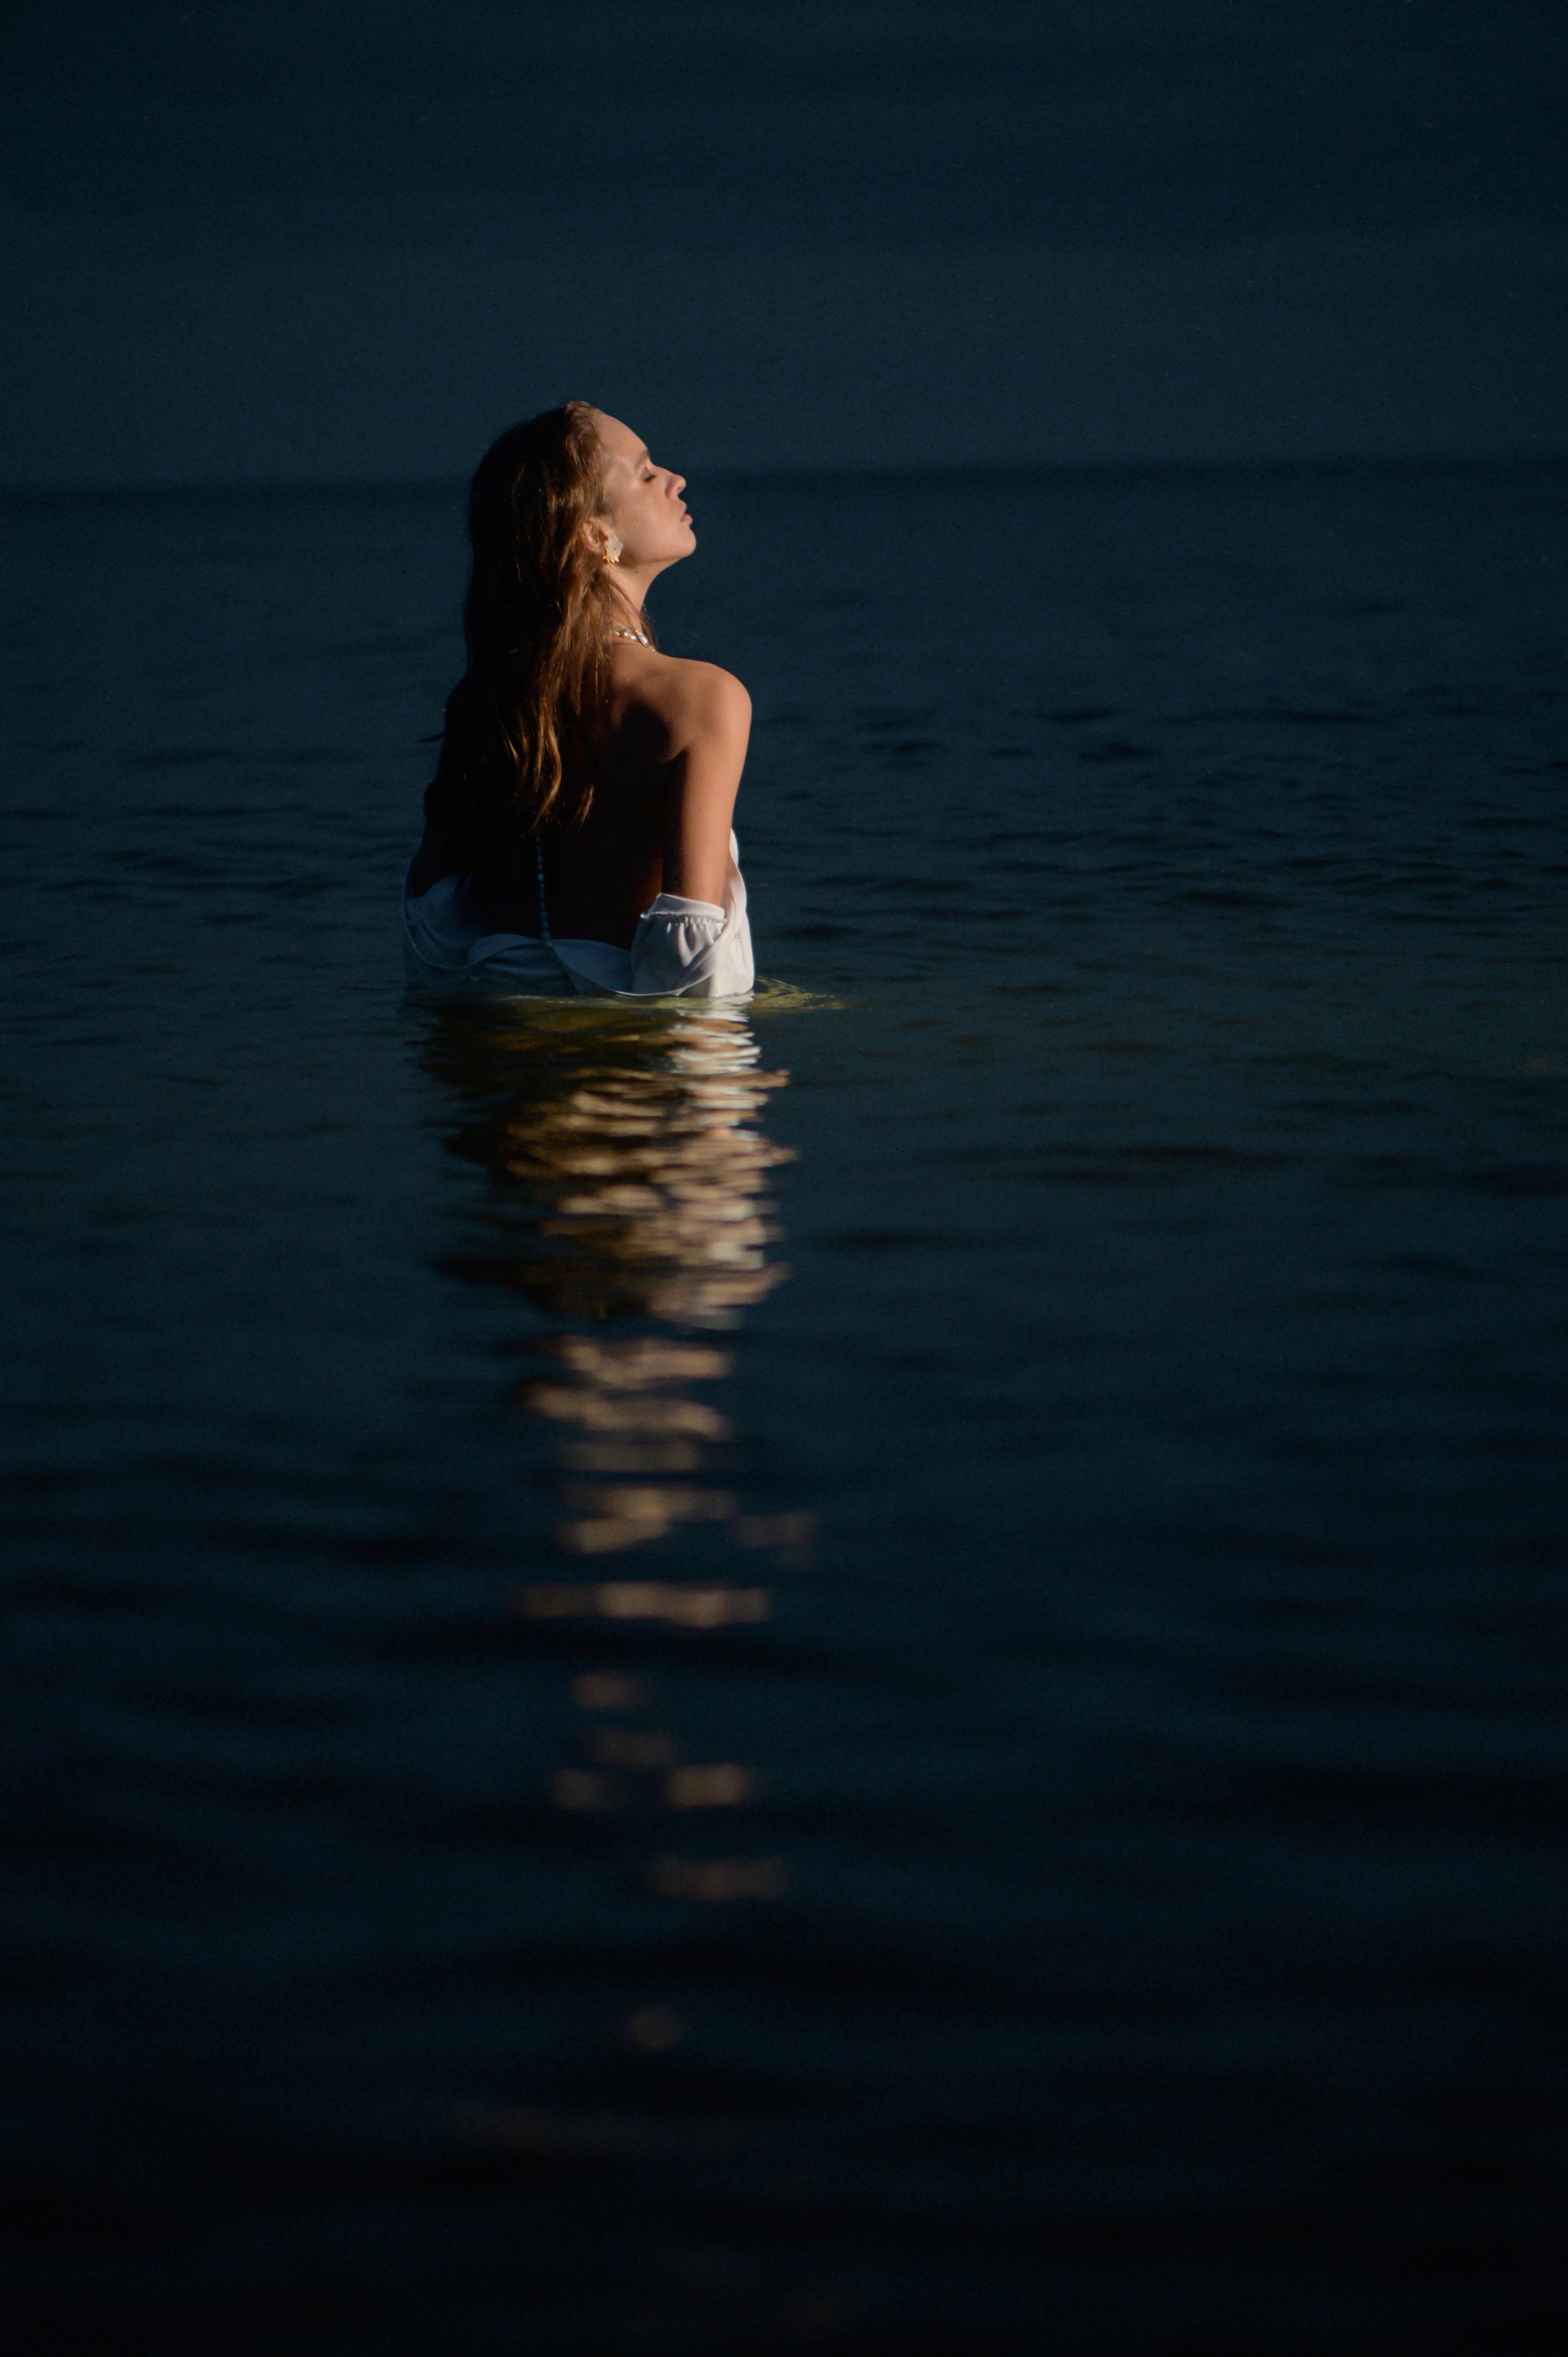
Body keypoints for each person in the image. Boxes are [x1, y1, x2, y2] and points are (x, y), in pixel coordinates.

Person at [403, 403, 755, 998]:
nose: (675, 479)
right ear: (597, 534)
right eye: (645, 474)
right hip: (633, 1070)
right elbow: (693, 965)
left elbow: (432, 929)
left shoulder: (487, 699)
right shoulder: (701, 698)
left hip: (504, 1062)